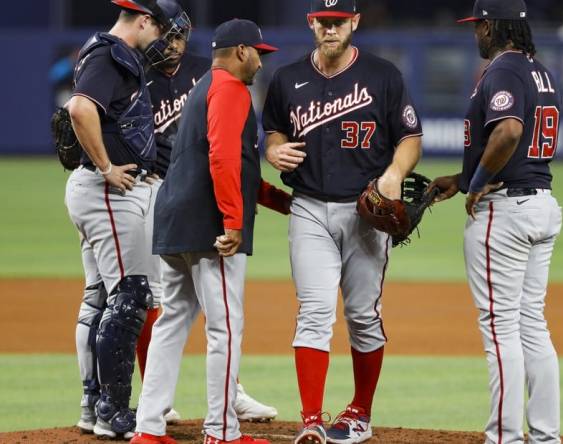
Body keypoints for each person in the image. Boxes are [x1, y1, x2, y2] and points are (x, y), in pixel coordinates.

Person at [262, 0, 423, 442]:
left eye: (338, 22)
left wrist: (394, 174)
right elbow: (273, 130)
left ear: (354, 22)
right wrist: (273, 149)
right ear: (311, 22)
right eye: (323, 22)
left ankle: (360, 413)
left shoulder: (383, 76)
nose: (330, 29)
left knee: (362, 316)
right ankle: (311, 420)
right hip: (309, 207)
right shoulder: (286, 78)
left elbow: (410, 138)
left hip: (365, 214)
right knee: (314, 312)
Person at [130, 18, 281, 444]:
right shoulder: (231, 90)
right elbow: (222, 158)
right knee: (225, 328)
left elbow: (215, 161)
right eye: (258, 53)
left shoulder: (202, 88)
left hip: (175, 220)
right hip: (209, 227)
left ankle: (148, 428)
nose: (260, 62)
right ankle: (222, 432)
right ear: (239, 52)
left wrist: (280, 202)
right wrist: (233, 221)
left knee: (173, 320)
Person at [429, 0, 563, 443]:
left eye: (480, 24)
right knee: (531, 324)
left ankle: (503, 437)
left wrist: (478, 182)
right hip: (540, 203)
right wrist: (462, 178)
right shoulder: (538, 70)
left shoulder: (503, 69)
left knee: (500, 326)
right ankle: (544, 436)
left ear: (494, 26)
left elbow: (508, 131)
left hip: (505, 212)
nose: (476, 33)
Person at [66, 0, 182, 438]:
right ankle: (112, 411)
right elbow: (79, 109)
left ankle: (92, 404)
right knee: (131, 296)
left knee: (101, 298)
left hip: (94, 191)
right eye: (161, 30)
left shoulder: (105, 51)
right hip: (108, 194)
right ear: (144, 21)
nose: (164, 41)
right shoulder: (112, 53)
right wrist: (105, 166)